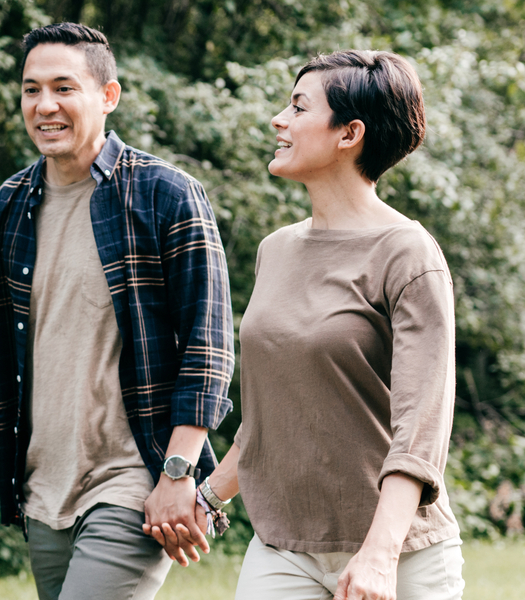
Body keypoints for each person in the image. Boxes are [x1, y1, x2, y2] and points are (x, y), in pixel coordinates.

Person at [0, 22, 236, 600]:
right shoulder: (6, 209)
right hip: (42, 493)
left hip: (131, 483)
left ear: (108, 96)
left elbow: (209, 348)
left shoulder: (164, 194)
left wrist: (177, 473)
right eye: (31, 89)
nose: (44, 105)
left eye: (63, 88)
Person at [156, 50, 466, 600]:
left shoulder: (408, 254)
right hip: (283, 548)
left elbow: (420, 429)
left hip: (400, 554)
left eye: (299, 108)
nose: (278, 119)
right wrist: (205, 497)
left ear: (350, 134)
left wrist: (379, 555)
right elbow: (271, 417)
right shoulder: (275, 249)